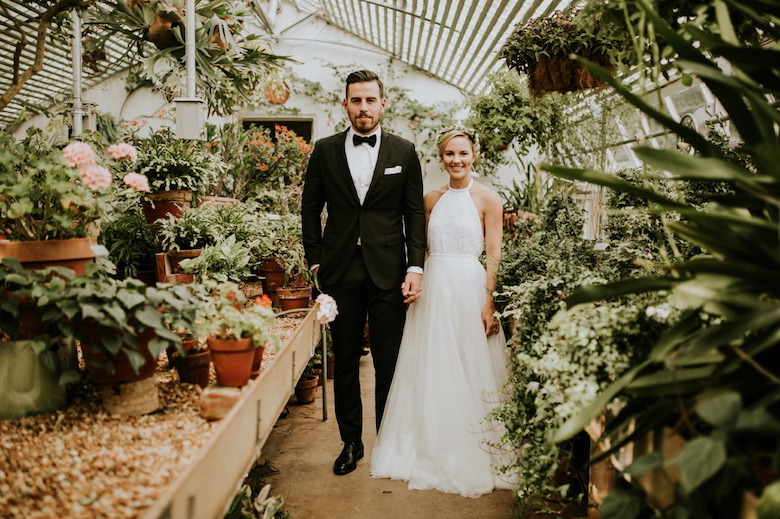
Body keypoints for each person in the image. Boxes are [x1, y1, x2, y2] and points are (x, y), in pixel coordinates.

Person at [370, 125, 513, 498]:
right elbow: (422, 248)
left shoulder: (489, 199)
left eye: (463, 153)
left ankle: (472, 444)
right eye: (450, 154)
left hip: (469, 286)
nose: (457, 160)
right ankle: (429, 441)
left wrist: (490, 300)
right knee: (431, 364)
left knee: (470, 366)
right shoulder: (430, 198)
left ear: (474, 155)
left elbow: (494, 253)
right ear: (442, 157)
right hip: (435, 289)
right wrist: (417, 280)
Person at [301, 70, 426, 476]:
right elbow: (309, 209)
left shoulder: (404, 151)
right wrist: (316, 260)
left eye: (370, 100)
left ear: (382, 104)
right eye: (356, 101)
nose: (363, 108)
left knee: (389, 360)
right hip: (339, 270)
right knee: (347, 360)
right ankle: (350, 443)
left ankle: (389, 444)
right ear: (346, 105)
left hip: (389, 270)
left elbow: (412, 214)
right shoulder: (323, 150)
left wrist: (415, 266)